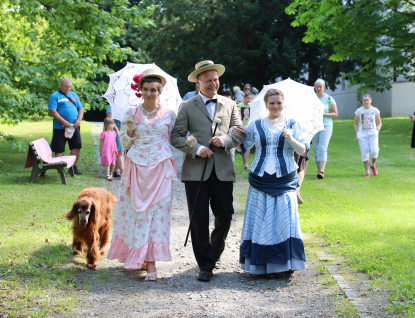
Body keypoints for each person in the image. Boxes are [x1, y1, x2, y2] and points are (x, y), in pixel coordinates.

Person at [171, 60, 246, 282]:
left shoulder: (230, 105)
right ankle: (205, 264)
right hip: (196, 171)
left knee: (225, 215)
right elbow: (176, 136)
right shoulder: (186, 106)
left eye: (216, 79)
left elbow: (240, 133)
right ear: (198, 82)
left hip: (222, 169)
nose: (214, 83)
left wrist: (224, 140)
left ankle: (213, 252)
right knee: (198, 218)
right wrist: (196, 148)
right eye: (209, 80)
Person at [107, 69, 177, 281]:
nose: (150, 93)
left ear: (160, 91)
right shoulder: (131, 114)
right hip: (136, 166)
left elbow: (176, 139)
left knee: (156, 214)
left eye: (154, 90)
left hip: (160, 169)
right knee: (137, 212)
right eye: (146, 89)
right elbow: (125, 145)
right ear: (140, 90)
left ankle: (152, 262)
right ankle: (137, 256)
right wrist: (128, 131)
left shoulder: (170, 114)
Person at [237, 88, 309, 277]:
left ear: (283, 103)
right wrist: (233, 134)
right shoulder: (256, 125)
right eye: (272, 103)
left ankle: (285, 264)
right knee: (260, 220)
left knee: (285, 221)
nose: (276, 106)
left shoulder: (293, 124)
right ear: (266, 104)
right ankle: (260, 264)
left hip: (285, 177)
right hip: (261, 177)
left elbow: (303, 151)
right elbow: (243, 146)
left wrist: (291, 137)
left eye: (279, 102)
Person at [48, 78, 84, 175]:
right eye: (66, 87)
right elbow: (53, 111)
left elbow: (80, 109)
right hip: (60, 127)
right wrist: (63, 121)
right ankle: (60, 169)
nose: (68, 89)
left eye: (69, 87)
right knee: (59, 148)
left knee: (76, 146)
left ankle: (73, 166)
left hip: (74, 126)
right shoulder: (55, 96)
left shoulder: (74, 95)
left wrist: (79, 120)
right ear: (61, 85)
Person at [311, 78, 338, 179]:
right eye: (317, 87)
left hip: (326, 125)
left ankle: (322, 170)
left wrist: (324, 114)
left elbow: (335, 113)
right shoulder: (312, 98)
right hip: (314, 126)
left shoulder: (329, 98)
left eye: (320, 87)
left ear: (324, 87)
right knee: (316, 148)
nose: (318, 88)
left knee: (322, 147)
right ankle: (319, 170)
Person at [353, 94, 382, 178]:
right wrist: (358, 133)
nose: (366, 101)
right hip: (362, 134)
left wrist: (377, 130)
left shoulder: (375, 110)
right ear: (362, 101)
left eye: (367, 100)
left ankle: (373, 165)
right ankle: (367, 172)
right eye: (364, 100)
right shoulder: (359, 111)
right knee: (364, 152)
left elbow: (379, 122)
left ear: (371, 100)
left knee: (374, 151)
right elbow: (355, 123)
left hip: (373, 133)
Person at [236, 92, 255, 169]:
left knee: (247, 146)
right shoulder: (239, 106)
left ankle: (246, 164)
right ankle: (244, 162)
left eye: (250, 98)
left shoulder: (253, 107)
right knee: (241, 146)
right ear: (244, 98)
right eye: (247, 98)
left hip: (249, 127)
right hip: (241, 128)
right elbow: (237, 116)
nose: (249, 100)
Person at [106, 105, 125, 177]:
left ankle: (116, 170)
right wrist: (117, 130)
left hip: (124, 132)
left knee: (123, 153)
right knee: (120, 152)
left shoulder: (126, 106)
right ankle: (124, 173)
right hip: (116, 133)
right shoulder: (111, 106)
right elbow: (110, 120)